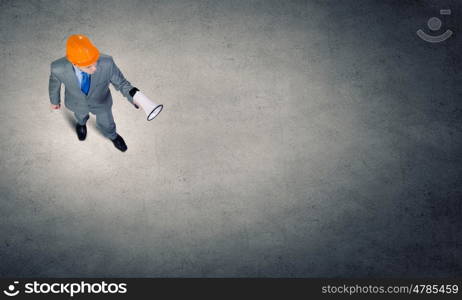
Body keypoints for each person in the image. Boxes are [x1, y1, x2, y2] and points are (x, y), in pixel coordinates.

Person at [48, 34, 140, 152]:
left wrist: (134, 95)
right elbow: (54, 85)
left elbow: (121, 83)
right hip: (77, 103)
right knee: (80, 115)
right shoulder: (58, 68)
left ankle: (113, 136)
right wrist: (54, 101)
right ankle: (81, 124)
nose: (95, 68)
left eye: (95, 61)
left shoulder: (107, 62)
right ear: (75, 64)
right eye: (88, 66)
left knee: (107, 123)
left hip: (101, 102)